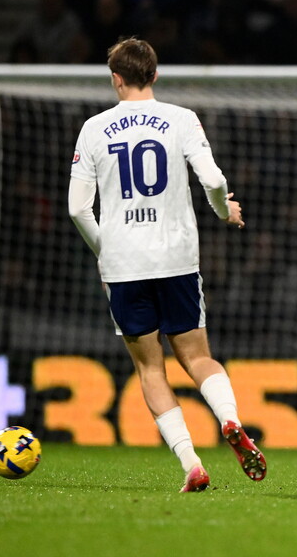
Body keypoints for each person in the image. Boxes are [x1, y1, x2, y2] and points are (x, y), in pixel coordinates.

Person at [67, 37, 266, 493]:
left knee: (150, 370)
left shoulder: (94, 129)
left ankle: (191, 463)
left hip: (124, 266)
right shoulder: (181, 118)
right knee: (197, 357)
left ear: (116, 78)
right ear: (155, 75)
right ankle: (230, 420)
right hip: (176, 258)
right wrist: (224, 211)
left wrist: (105, 252)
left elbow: (78, 208)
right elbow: (213, 179)